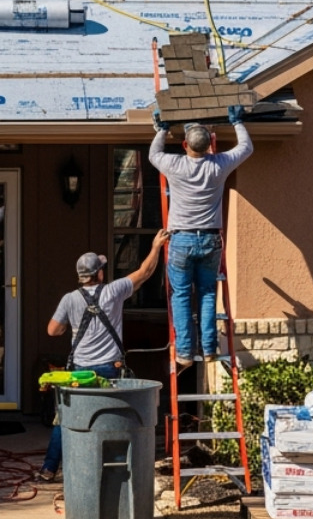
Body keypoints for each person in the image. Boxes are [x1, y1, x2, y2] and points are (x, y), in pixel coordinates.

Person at [38, 230, 169, 483]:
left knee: (65, 419)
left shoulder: (69, 299)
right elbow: (144, 273)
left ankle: (48, 469)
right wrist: (155, 247)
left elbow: (52, 330)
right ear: (99, 274)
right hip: (109, 370)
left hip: (78, 372)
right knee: (109, 418)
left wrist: (69, 325)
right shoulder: (113, 292)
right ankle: (106, 469)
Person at [148, 105, 252, 368]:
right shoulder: (218, 165)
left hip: (181, 240)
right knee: (207, 293)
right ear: (209, 146)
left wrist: (161, 129)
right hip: (209, 240)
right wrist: (237, 122)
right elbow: (246, 148)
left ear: (184, 144)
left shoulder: (174, 164)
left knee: (182, 295)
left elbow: (153, 153)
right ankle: (209, 349)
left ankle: (184, 352)